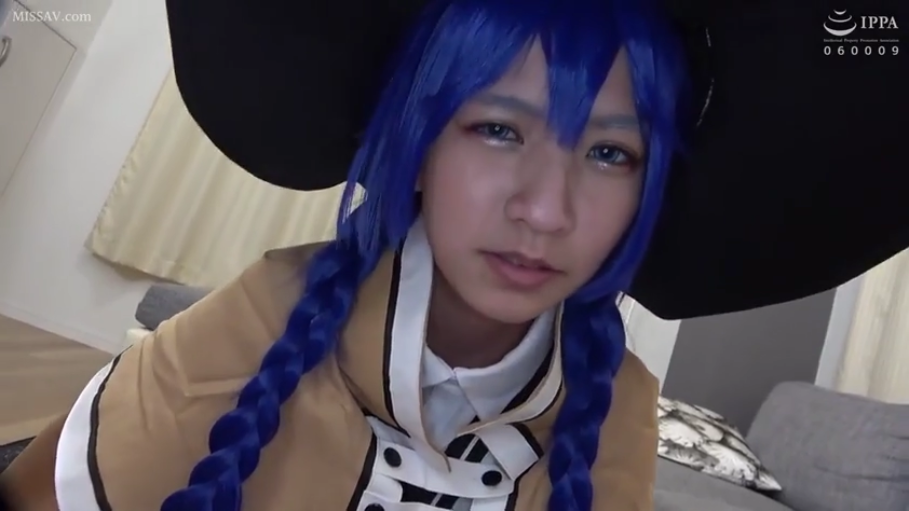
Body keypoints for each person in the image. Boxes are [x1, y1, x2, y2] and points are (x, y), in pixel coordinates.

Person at [2, 0, 687, 510]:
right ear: (418, 143)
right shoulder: (262, 316)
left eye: (609, 152)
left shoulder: (620, 406)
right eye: (499, 130)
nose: (545, 211)